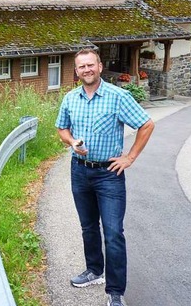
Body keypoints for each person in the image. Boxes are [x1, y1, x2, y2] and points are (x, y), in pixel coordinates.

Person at [56, 48, 155, 306]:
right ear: (76, 72)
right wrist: (72, 142)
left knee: (113, 233)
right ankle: (94, 271)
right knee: (88, 227)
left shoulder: (118, 97)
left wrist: (129, 158)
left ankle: (115, 293)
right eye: (81, 67)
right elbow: (61, 128)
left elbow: (146, 124)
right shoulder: (70, 98)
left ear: (99, 66)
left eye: (90, 65)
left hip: (109, 174)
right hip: (79, 170)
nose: (86, 70)